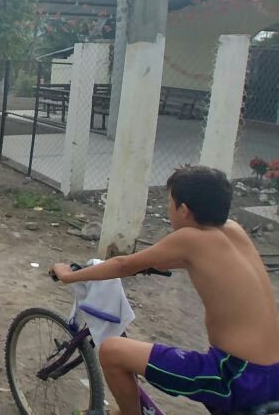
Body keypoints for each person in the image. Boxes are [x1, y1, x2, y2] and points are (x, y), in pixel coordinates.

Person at [51, 166, 279, 414]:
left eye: (169, 203)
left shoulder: (190, 239)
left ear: (184, 210)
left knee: (112, 351)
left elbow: (123, 264)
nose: (169, 210)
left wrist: (69, 276)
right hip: (271, 371)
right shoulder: (234, 230)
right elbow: (167, 260)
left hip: (236, 375)